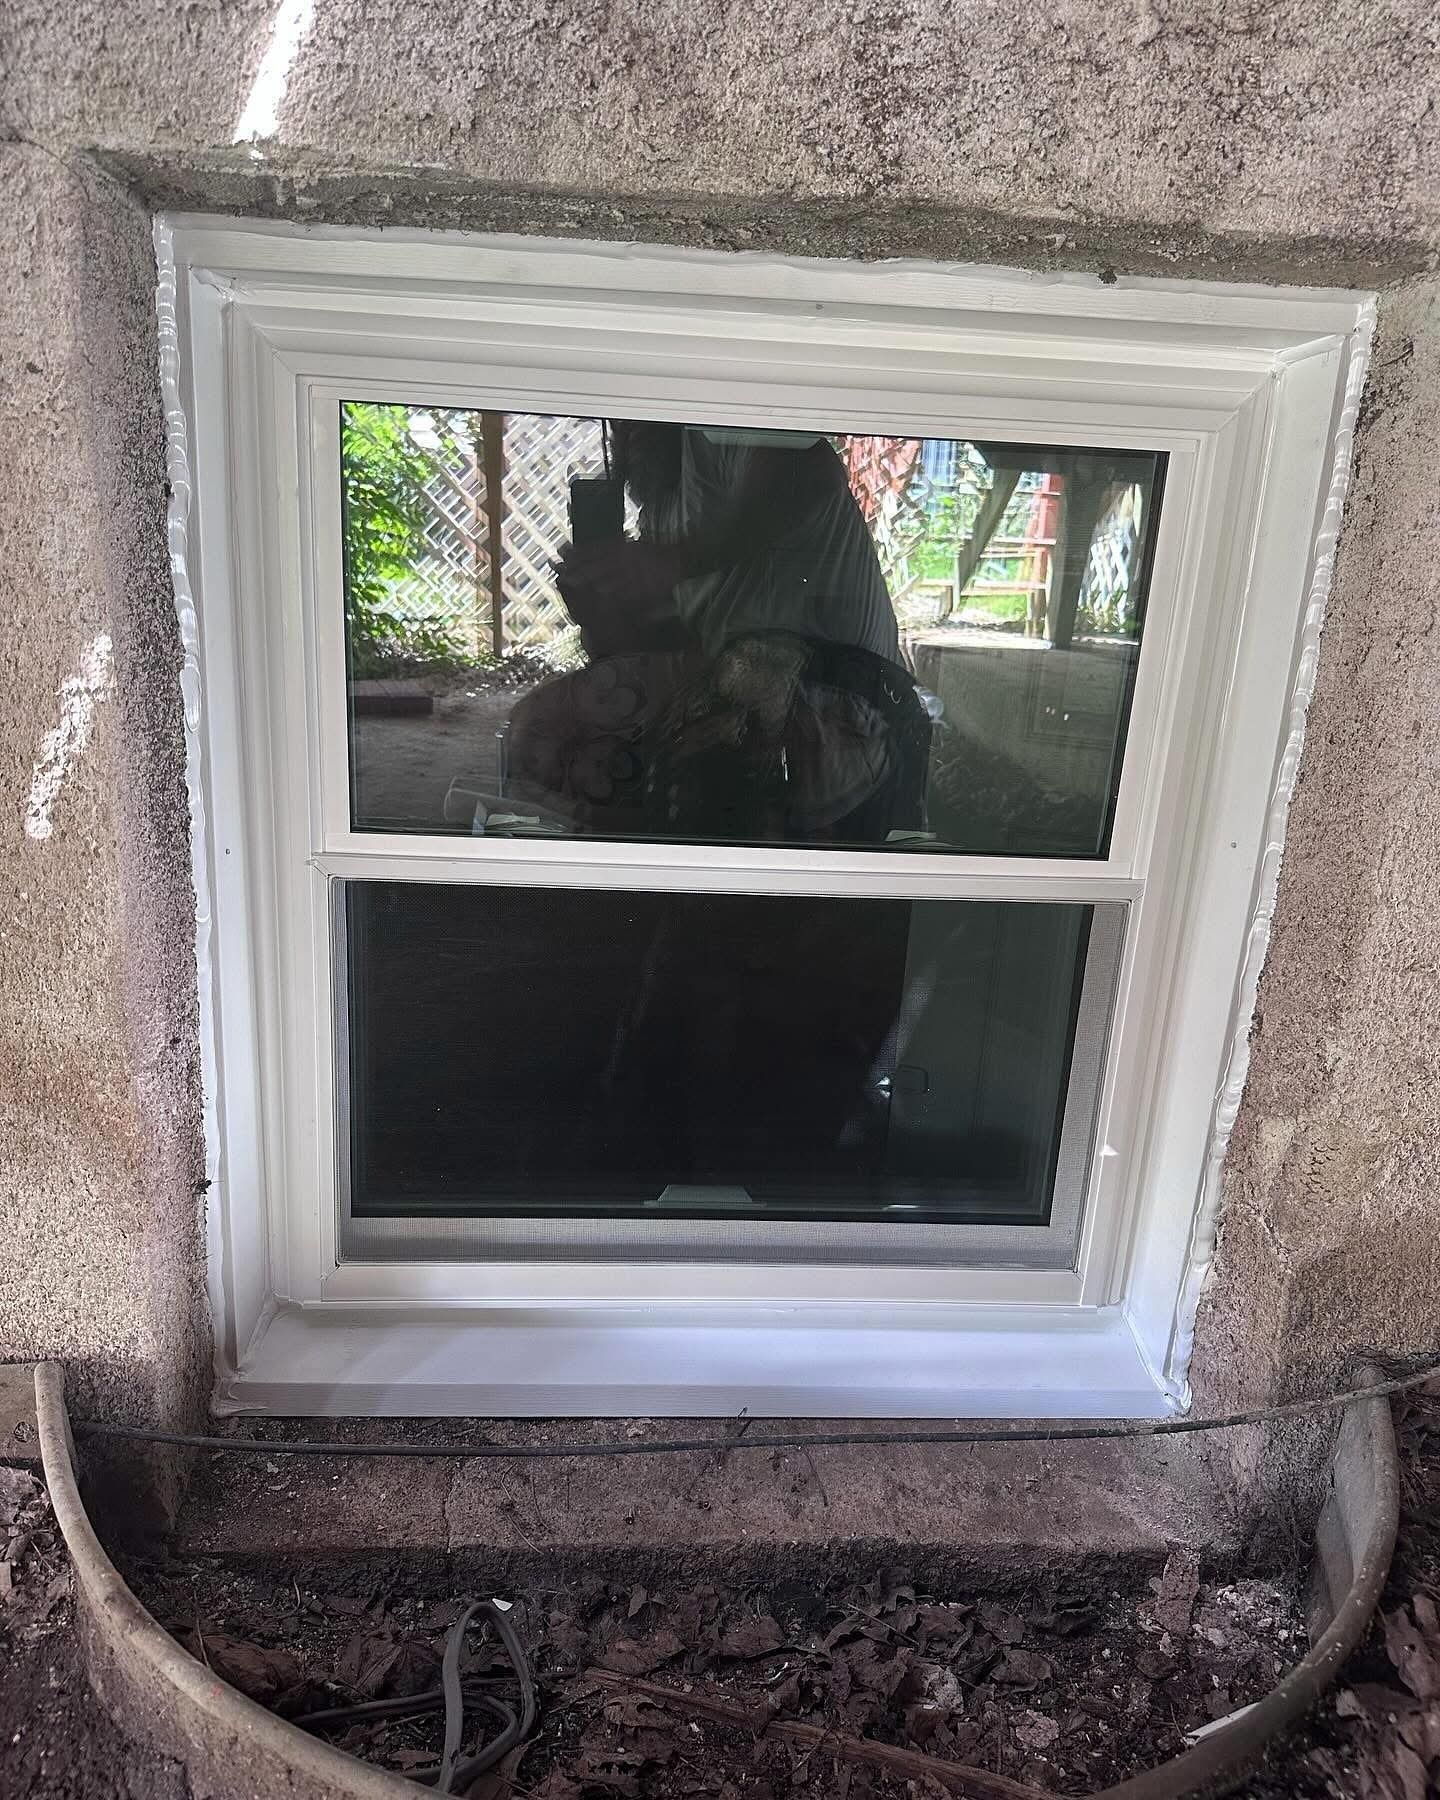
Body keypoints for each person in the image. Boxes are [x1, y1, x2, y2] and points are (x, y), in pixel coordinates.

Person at [506, 421, 929, 843]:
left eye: (629, 417)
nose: (622, 431)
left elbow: (808, 472)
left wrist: (673, 561)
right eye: (616, 423)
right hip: (755, 710)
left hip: (849, 701)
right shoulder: (662, 514)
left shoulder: (722, 427)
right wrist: (606, 617)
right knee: (539, 743)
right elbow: (687, 651)